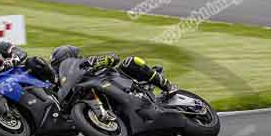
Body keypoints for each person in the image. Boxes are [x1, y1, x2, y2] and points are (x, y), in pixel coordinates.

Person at [50, 45, 178, 96]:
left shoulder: (88, 62)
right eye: (56, 65)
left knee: (131, 61)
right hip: (101, 93)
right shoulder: (66, 81)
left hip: (117, 80)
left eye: (59, 63)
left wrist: (105, 60)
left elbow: (114, 57)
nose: (58, 67)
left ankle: (166, 85)